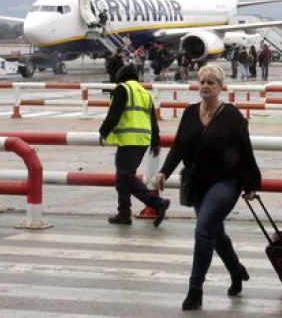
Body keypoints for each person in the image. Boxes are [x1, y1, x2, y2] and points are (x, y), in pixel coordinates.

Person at [153, 63, 261, 311]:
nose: (205, 86)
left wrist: (250, 185)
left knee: (203, 230)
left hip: (226, 182)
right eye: (202, 82)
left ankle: (195, 290)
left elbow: (245, 151)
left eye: (211, 82)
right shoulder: (190, 113)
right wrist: (163, 171)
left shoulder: (232, 116)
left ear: (221, 87)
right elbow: (179, 146)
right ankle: (236, 271)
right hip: (198, 183)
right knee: (215, 233)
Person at [99, 64, 170, 226]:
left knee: (125, 176)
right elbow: (153, 118)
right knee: (123, 178)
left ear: (121, 77)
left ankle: (156, 203)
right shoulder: (144, 92)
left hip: (128, 139)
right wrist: (155, 141)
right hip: (142, 140)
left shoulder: (123, 89)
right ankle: (124, 213)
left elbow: (114, 113)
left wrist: (103, 132)